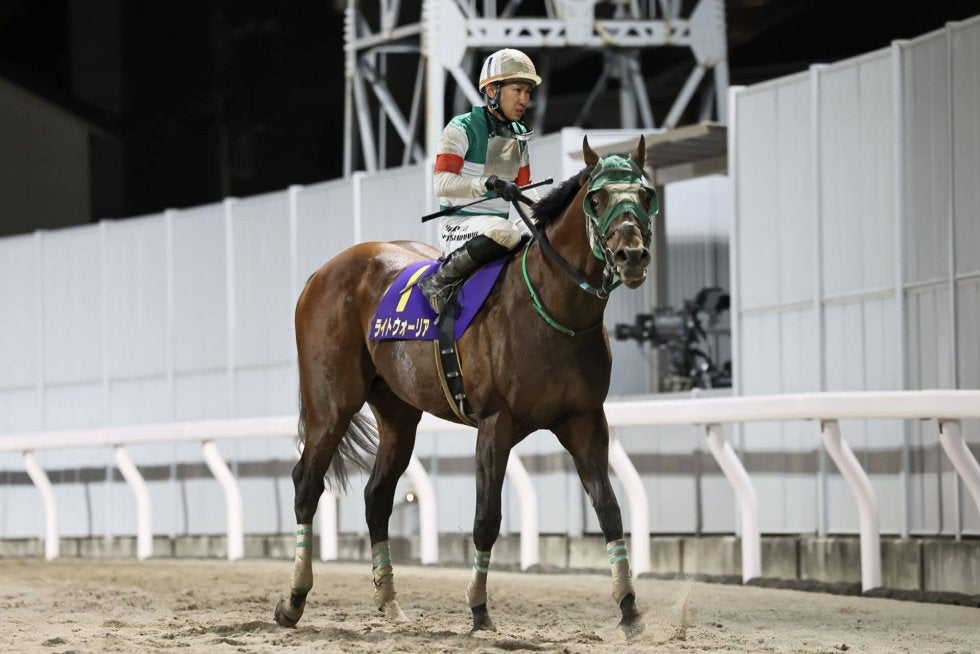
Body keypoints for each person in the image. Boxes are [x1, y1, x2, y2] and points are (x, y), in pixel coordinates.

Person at [418, 48, 541, 314]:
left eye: (527, 92)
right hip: (458, 226)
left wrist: (548, 213)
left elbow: (526, 189)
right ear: (492, 90)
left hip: (495, 228)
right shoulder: (460, 128)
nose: (524, 100)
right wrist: (489, 183)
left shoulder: (519, 135)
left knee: (543, 230)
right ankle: (439, 281)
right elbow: (441, 183)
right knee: (506, 231)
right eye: (517, 90)